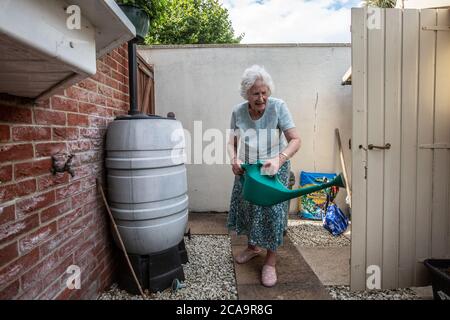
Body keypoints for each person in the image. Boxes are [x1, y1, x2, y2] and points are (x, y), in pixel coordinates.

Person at [227, 65, 301, 287]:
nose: (261, 98)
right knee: (249, 208)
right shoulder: (238, 111)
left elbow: (295, 140)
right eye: (256, 93)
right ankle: (252, 247)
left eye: (264, 92)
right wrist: (234, 159)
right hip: (248, 170)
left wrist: (279, 159)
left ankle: (270, 261)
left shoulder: (278, 107)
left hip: (273, 169)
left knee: (272, 214)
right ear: (246, 94)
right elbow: (231, 142)